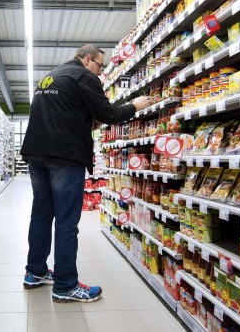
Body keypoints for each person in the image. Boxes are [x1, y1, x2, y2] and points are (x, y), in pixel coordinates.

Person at [20, 44, 152, 303]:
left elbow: (65, 113)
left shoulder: (51, 76)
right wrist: (134, 105)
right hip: (64, 156)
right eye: (100, 66)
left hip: (36, 155)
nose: (100, 73)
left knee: (41, 215)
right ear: (88, 59)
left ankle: (34, 273)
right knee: (67, 222)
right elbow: (109, 113)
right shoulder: (85, 76)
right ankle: (66, 286)